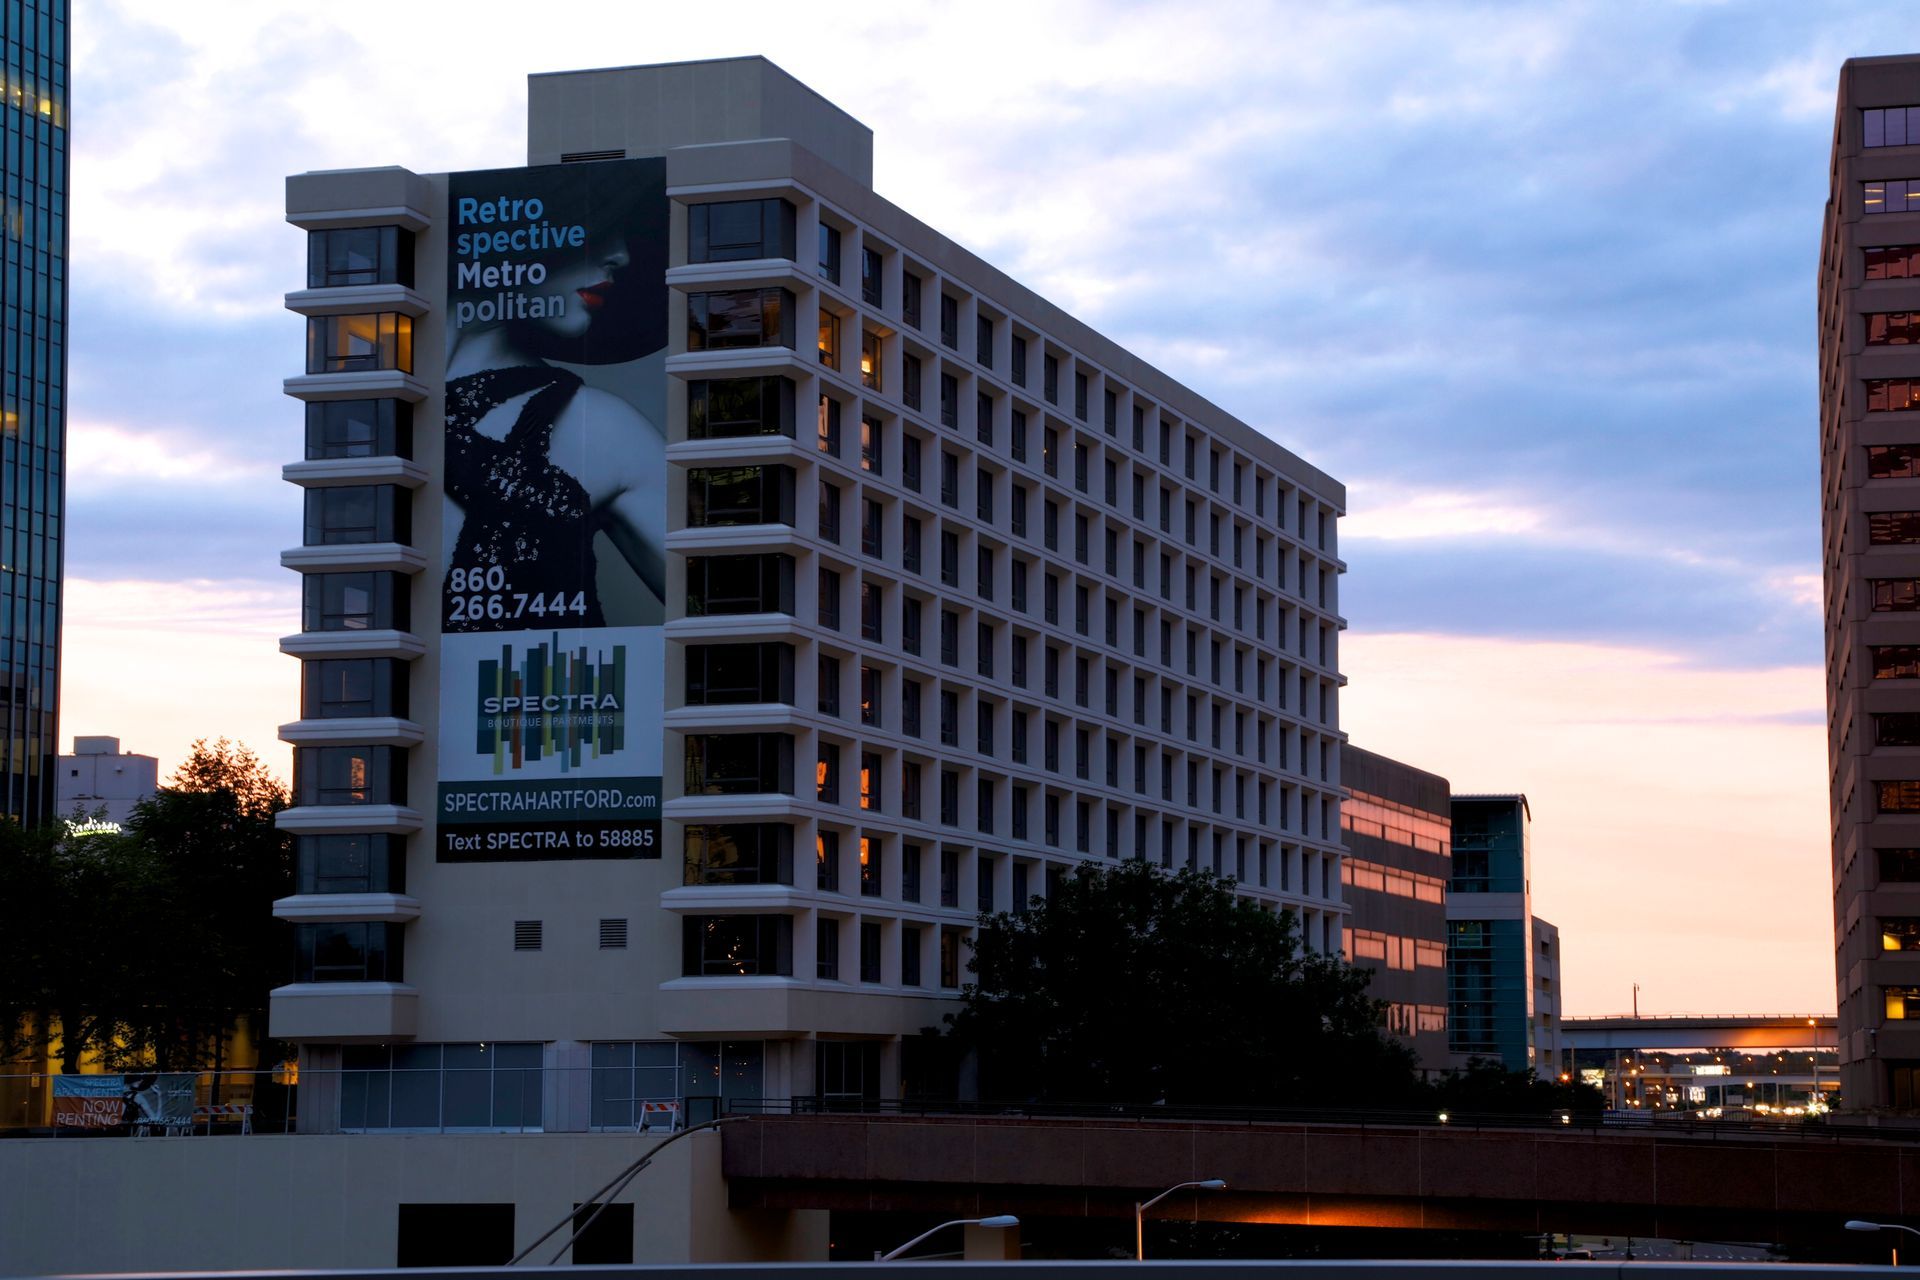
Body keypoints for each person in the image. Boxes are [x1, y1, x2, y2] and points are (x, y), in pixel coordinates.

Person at [443, 180, 667, 631]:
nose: (620, 255)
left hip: (552, 698)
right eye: (600, 226)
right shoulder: (357, 415)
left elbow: (737, 617)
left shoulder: (601, 429)